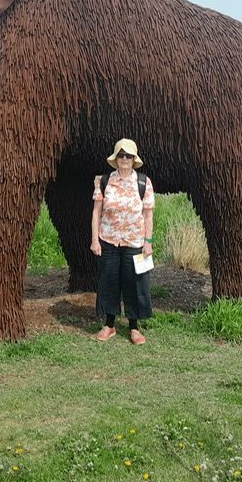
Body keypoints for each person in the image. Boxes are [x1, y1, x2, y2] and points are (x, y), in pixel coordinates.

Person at [90, 139, 155, 344]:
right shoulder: (105, 180)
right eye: (121, 155)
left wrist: (148, 242)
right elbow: (96, 212)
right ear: (115, 158)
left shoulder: (143, 182)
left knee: (134, 283)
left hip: (134, 241)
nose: (124, 159)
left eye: (128, 155)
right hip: (108, 239)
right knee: (109, 281)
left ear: (134, 159)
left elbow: (148, 215)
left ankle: (134, 327)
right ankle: (109, 325)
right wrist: (95, 240)